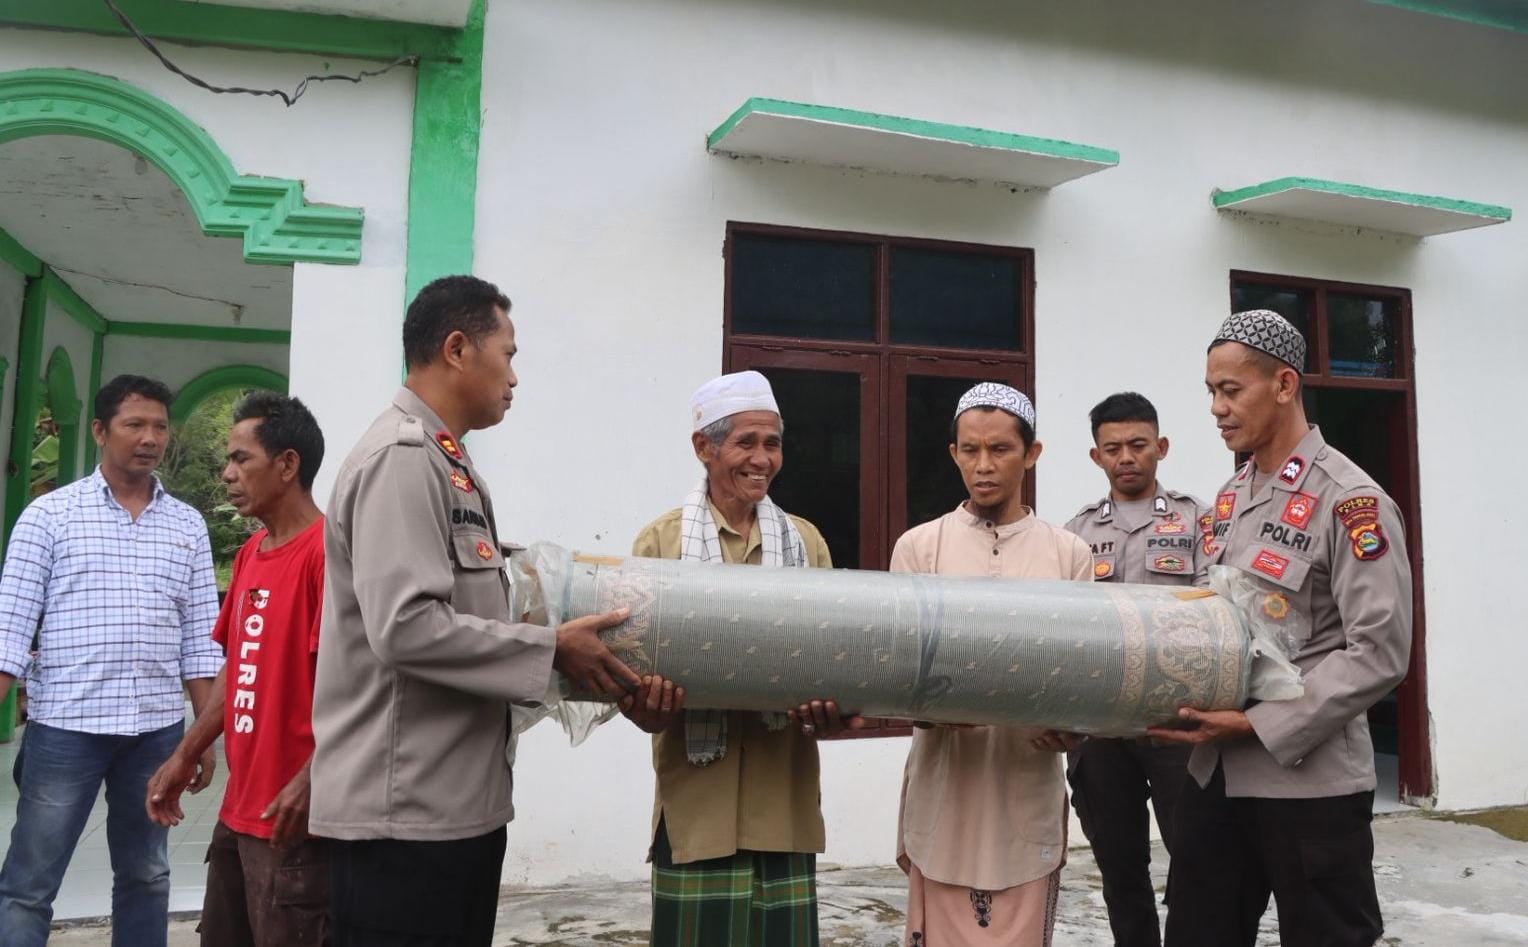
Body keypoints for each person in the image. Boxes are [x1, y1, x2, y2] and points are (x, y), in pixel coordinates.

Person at [309, 275, 639, 946]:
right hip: (404, 820)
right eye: (508, 355)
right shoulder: (402, 458)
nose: (514, 377)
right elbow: (406, 626)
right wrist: (550, 648)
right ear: (457, 349)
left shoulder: (447, 462)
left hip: (453, 806)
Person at [1150, 310, 1413, 947]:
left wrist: (1258, 724)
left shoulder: (1350, 500)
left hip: (1310, 784)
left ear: (1285, 385)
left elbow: (1379, 651)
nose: (1216, 408)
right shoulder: (1232, 495)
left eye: (1230, 390)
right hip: (1216, 775)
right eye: (1211, 391)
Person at [628, 369, 855, 947]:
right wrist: (644, 706)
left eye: (772, 443)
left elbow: (829, 659)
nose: (761, 459)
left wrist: (828, 712)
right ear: (703, 447)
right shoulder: (661, 544)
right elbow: (633, 672)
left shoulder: (805, 543)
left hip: (785, 804)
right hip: (696, 808)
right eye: (745, 443)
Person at [0, 375, 223, 945]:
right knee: (29, 883)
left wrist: (201, 737)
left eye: (160, 427)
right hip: (65, 731)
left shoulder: (187, 525)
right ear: (100, 431)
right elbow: (9, 633)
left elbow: (200, 642)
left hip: (155, 735)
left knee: (147, 875)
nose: (150, 438)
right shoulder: (49, 517)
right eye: (134, 425)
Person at [891, 382, 1093, 947]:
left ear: (1031, 453)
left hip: (1026, 789)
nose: (983, 465)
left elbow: (1085, 674)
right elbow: (898, 673)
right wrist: (929, 708)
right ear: (953, 453)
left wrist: (1075, 727)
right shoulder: (918, 548)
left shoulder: (1068, 554)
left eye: (1000, 449)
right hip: (944, 791)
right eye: (971, 450)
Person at [146, 391, 330, 945]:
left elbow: (361, 688)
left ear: (288, 464)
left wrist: (312, 779)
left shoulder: (327, 555)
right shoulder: (252, 553)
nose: (227, 473)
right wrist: (186, 752)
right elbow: (239, 668)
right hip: (239, 811)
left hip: (293, 820)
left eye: (241, 459)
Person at [1061, 392, 1199, 947]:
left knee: (1196, 861)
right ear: (1096, 456)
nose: (1126, 457)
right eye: (1113, 447)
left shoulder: (1198, 521)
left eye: (1138, 445)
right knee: (1120, 871)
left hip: (1177, 723)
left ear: (1161, 447)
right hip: (1100, 728)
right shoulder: (1074, 533)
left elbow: (1218, 614)